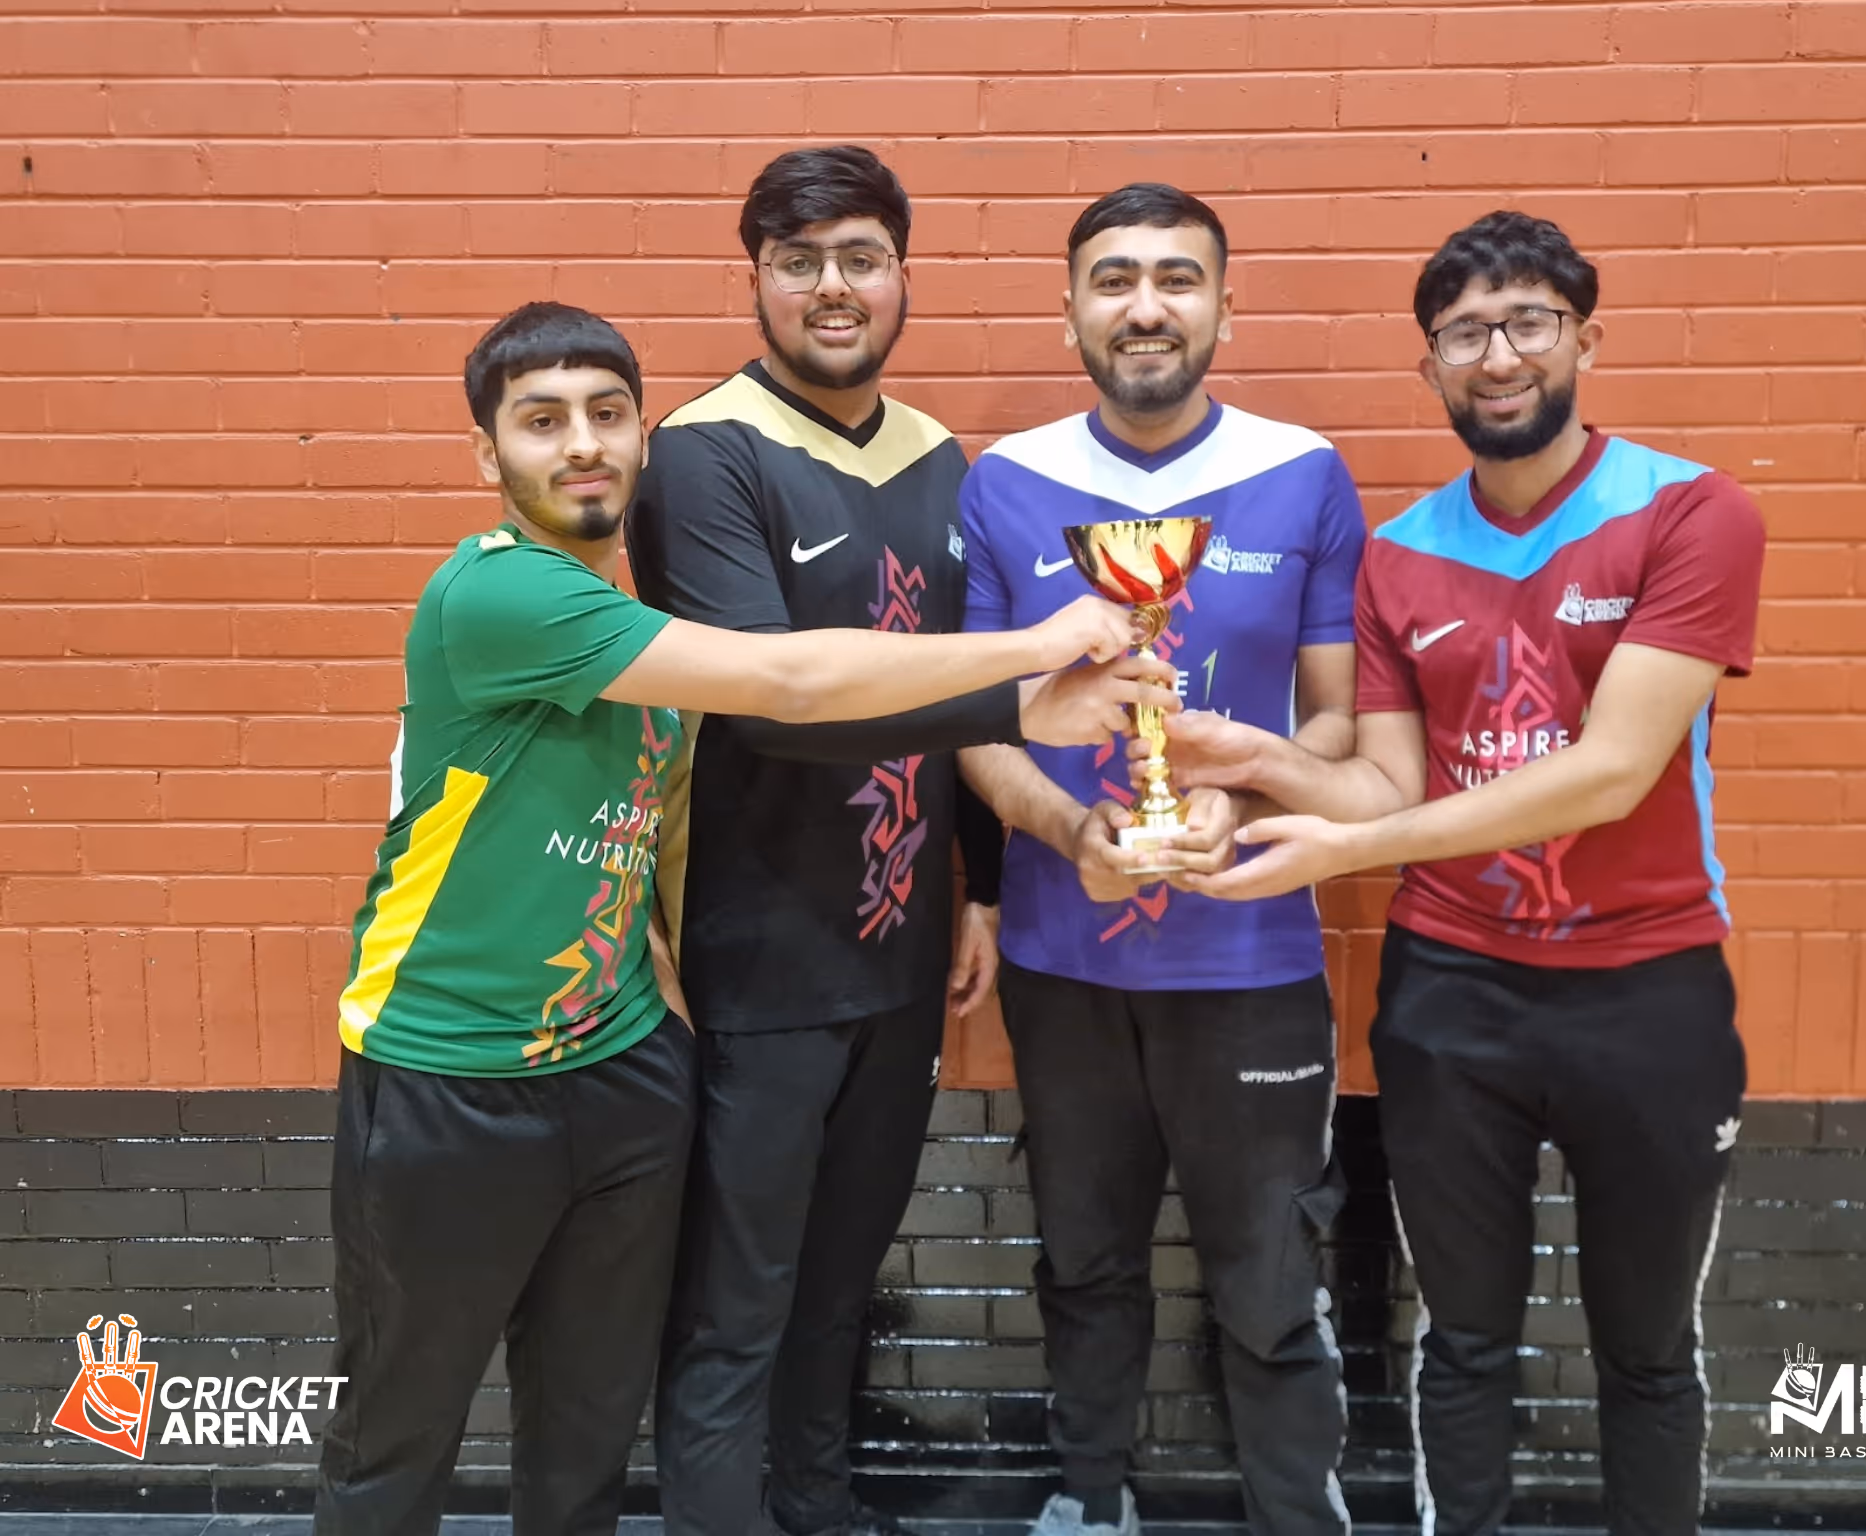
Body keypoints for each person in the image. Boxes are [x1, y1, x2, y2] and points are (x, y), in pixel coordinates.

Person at [315, 300, 1147, 1536]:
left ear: (642, 434)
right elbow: (792, 679)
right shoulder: (499, 599)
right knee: (399, 1438)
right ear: (488, 455)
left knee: (587, 1435)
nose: (583, 444)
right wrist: (1029, 669)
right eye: (540, 423)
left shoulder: (651, 639)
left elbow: (645, 838)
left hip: (616, 1071)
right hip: (449, 1080)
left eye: (607, 415)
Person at [1171, 212, 1767, 1536]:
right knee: (1468, 1345)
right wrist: (1251, 761)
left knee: (1648, 1354)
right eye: (1465, 334)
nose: (1498, 355)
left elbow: (1611, 772)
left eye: (1528, 322)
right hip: (1454, 997)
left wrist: (1351, 851)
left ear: (1584, 340)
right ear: (1430, 364)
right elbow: (1390, 786)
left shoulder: (1694, 511)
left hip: (1650, 990)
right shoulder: (1399, 556)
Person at [625, 148, 1170, 1536]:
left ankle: (818, 1506)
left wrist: (979, 886)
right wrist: (1032, 672)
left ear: (901, 272)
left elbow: (950, 709)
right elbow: (786, 702)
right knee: (737, 1299)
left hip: (904, 942)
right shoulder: (701, 456)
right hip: (757, 952)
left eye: (859, 255)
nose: (831, 287)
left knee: (839, 1278)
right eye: (797, 260)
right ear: (754, 276)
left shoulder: (940, 459)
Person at [956, 184, 1367, 1536]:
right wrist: (1078, 831)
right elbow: (973, 722)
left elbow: (1335, 724)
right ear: (1069, 307)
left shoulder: (1305, 471)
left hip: (1253, 949)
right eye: (1116, 278)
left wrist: (1238, 807)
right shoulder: (1006, 480)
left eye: (1178, 279)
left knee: (1265, 1267)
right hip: (1061, 955)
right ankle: (1090, 1498)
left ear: (1223, 308)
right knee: (1083, 1256)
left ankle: (1297, 1513)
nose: (1146, 305)